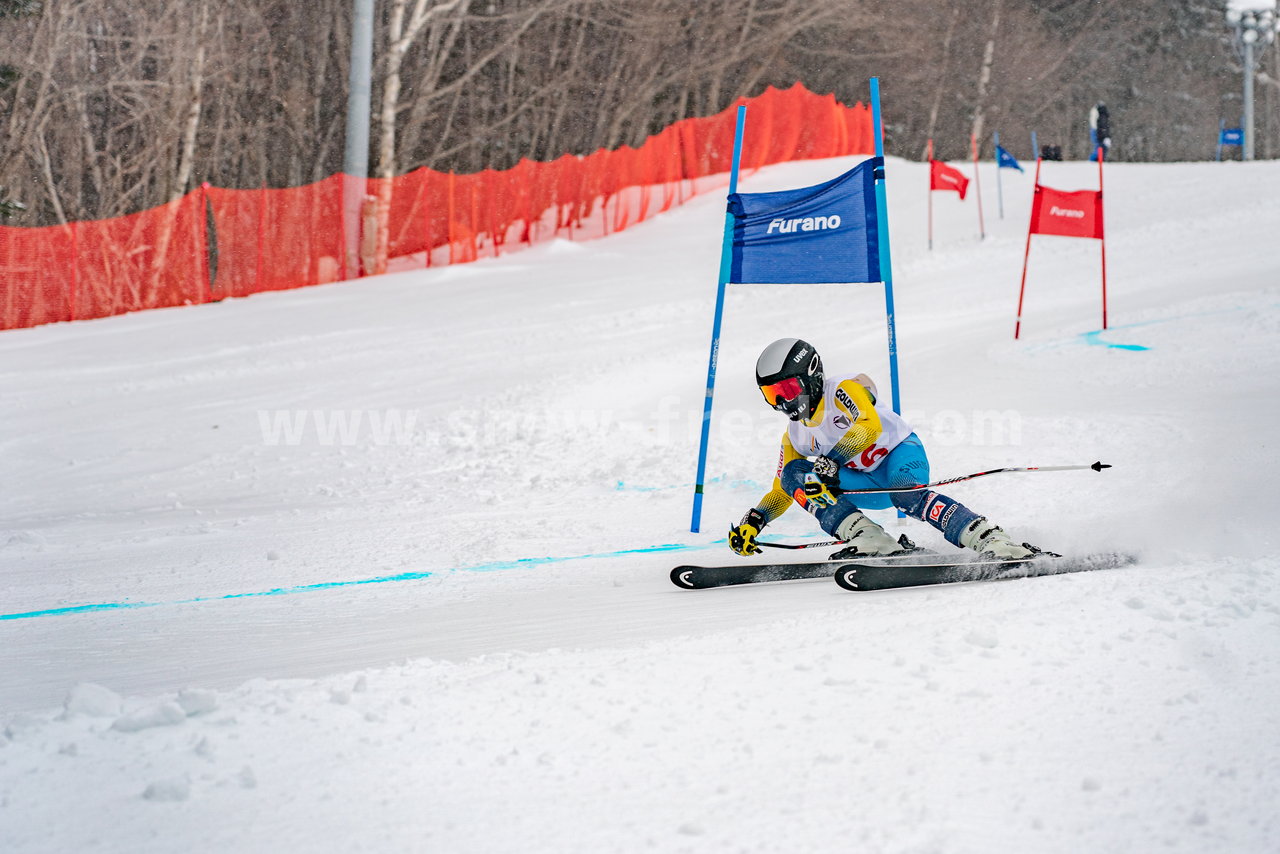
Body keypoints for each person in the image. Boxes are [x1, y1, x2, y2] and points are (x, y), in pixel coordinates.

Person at [728, 338, 1045, 561]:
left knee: (906, 495)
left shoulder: (841, 390)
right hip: (865, 485)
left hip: (900, 457)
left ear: (810, 376)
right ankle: (870, 539)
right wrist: (754, 521)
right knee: (796, 475)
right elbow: (783, 489)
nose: (783, 403)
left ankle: (992, 539)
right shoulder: (795, 435)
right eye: (772, 396)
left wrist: (832, 460)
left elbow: (868, 426)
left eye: (786, 390)